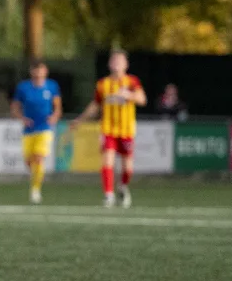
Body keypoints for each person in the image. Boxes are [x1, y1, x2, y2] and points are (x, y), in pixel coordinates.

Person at [72, 50, 146, 208]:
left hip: (126, 130)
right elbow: (95, 105)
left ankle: (123, 187)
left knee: (128, 168)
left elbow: (142, 99)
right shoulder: (102, 84)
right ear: (109, 64)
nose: (117, 63)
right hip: (108, 129)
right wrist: (80, 119)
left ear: (126, 64)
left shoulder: (132, 82)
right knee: (107, 161)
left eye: (120, 61)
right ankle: (108, 194)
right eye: (114, 60)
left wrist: (129, 95)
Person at [12, 60, 62, 205]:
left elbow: (57, 106)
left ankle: (35, 190)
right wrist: (22, 118)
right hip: (28, 129)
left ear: (45, 71)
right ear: (31, 71)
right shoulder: (23, 88)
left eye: (41, 70)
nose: (38, 73)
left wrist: (54, 116)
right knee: (29, 161)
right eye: (36, 70)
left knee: (39, 157)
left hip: (44, 128)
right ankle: (36, 177)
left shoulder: (52, 86)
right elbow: (15, 107)